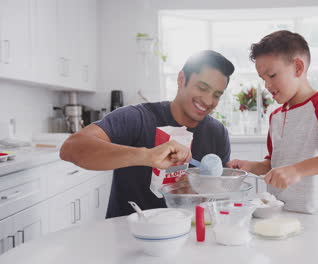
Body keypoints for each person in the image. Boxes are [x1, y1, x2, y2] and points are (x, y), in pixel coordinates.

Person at [60, 50, 235, 218]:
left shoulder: (217, 133)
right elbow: (71, 148)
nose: (208, 101)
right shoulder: (138, 118)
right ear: (181, 79)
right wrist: (146, 156)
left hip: (189, 234)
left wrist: (199, 191)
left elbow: (219, 197)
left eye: (217, 95)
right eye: (202, 87)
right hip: (127, 235)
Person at [228, 30, 318, 219]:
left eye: (272, 75)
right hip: (281, 215)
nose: (267, 85)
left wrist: (297, 170)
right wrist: (252, 166)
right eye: (263, 79)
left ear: (298, 68)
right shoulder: (275, 117)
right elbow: (275, 166)